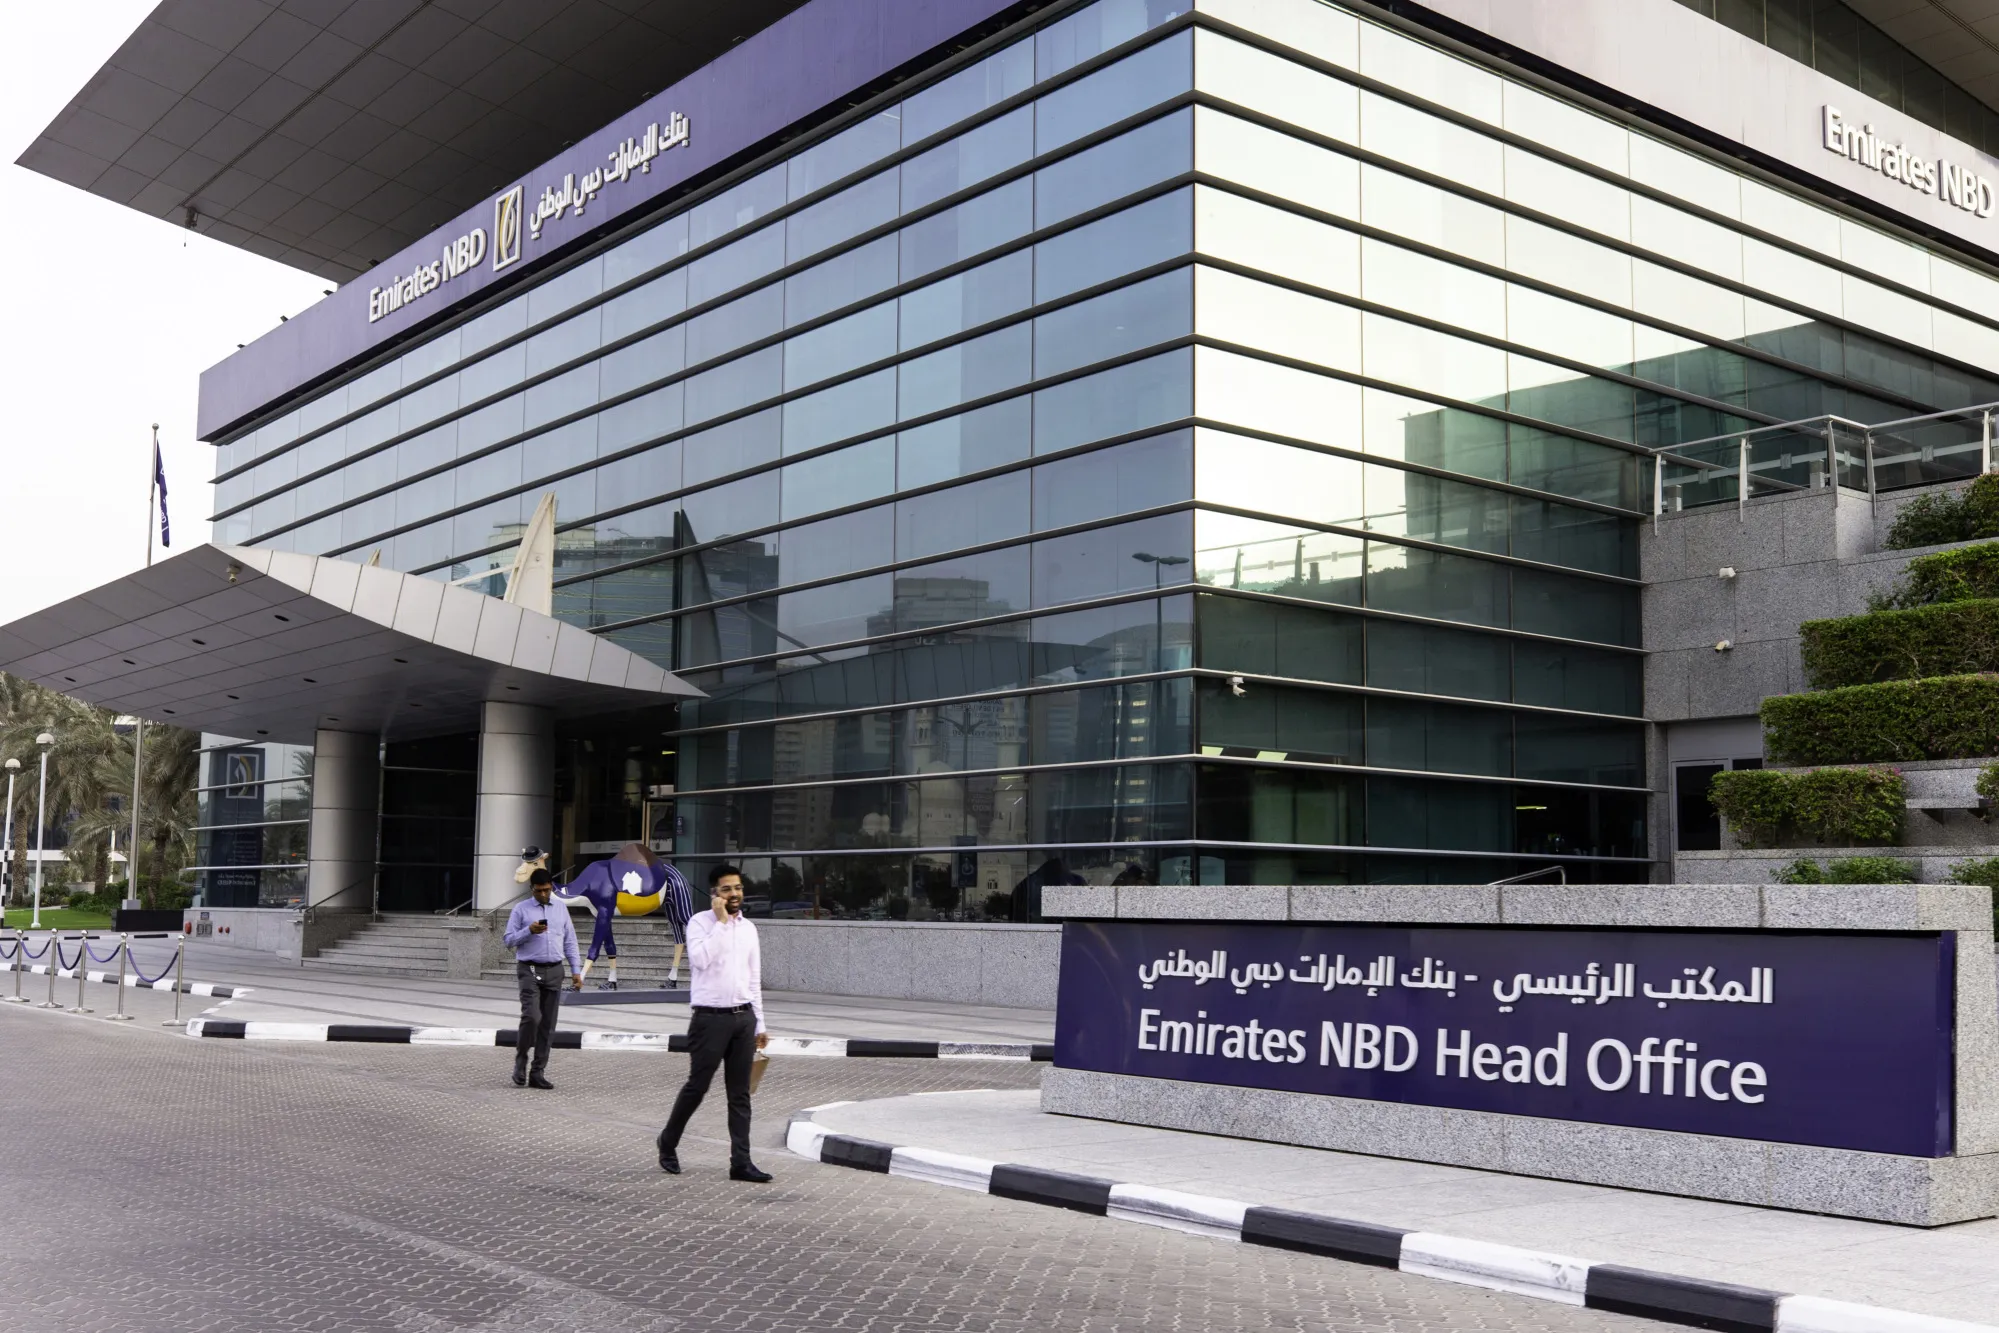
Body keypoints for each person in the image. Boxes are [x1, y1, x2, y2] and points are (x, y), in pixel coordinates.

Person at [654, 865, 771, 1182]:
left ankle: (741, 1163)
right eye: (727, 889)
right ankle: (668, 1142)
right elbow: (700, 960)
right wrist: (720, 923)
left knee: (740, 1093)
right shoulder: (699, 923)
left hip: (743, 1018)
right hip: (709, 1019)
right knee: (697, 1086)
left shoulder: (749, 929)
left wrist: (760, 1023)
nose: (734, 894)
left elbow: (754, 978)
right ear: (714, 894)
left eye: (738, 888)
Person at [501, 867, 581, 1089]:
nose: (543, 894)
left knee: (548, 1024)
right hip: (529, 969)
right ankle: (521, 1061)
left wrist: (576, 970)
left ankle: (538, 1072)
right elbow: (508, 940)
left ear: (551, 887)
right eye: (539, 891)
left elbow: (570, 941)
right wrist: (529, 931)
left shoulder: (561, 909)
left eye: (546, 890)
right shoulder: (521, 909)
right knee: (532, 1016)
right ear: (531, 889)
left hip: (555, 970)